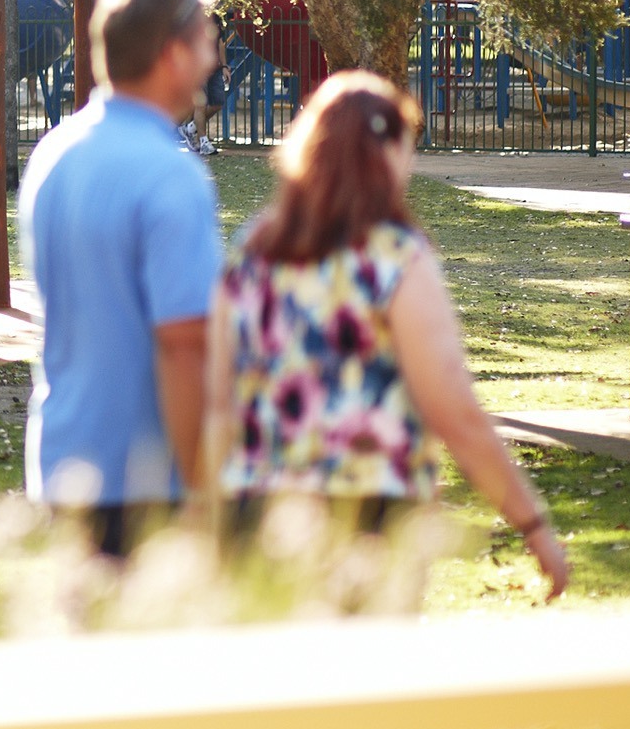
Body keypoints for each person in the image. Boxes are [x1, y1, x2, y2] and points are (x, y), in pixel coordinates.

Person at [210, 71, 571, 598]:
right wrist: (531, 522)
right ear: (385, 153)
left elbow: (218, 392)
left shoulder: (255, 249)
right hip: (366, 517)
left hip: (257, 513)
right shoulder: (395, 257)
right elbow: (451, 405)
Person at [21, 0, 224, 555]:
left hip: (61, 462)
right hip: (145, 478)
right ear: (172, 56)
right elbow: (185, 342)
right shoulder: (170, 173)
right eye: (204, 43)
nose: (211, 61)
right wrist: (202, 487)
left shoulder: (54, 155)